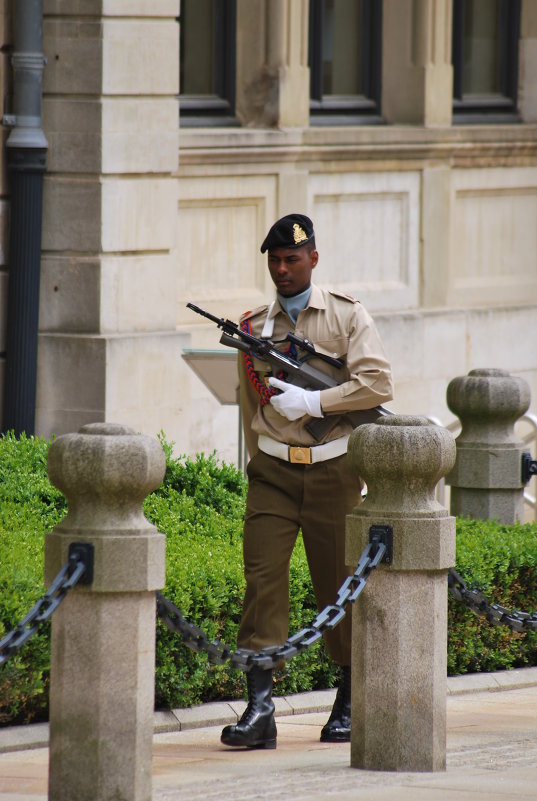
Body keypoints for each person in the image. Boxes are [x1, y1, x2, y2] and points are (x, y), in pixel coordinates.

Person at [220, 213, 393, 750]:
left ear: (313, 259)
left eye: (292, 259)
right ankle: (260, 709)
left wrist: (317, 401)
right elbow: (251, 405)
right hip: (272, 471)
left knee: (336, 584)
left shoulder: (346, 316)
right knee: (262, 582)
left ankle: (347, 699)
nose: (282, 269)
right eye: (274, 260)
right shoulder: (254, 328)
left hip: (332, 470)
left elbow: (378, 383)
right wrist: (262, 457)